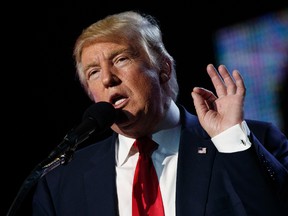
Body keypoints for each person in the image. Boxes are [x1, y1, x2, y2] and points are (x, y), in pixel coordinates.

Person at [31, 10, 288, 216]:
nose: (108, 78)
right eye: (93, 72)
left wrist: (231, 139)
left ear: (163, 69)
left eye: (121, 59)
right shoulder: (60, 184)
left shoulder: (251, 142)